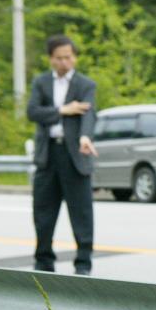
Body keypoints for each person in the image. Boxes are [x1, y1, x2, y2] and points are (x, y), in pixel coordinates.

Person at [27, 34, 98, 275]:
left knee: (82, 211)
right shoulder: (41, 83)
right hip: (48, 154)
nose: (64, 62)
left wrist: (85, 137)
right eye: (59, 58)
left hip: (75, 154)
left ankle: (83, 263)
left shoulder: (85, 84)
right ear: (51, 59)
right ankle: (43, 261)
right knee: (43, 211)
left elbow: (88, 114)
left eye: (68, 57)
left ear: (74, 57)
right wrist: (63, 110)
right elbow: (33, 112)